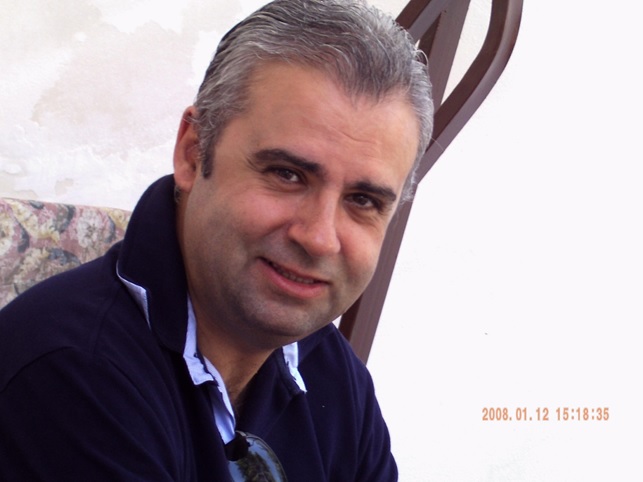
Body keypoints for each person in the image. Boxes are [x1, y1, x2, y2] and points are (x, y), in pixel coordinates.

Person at [0, 0, 433, 480]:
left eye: (363, 200)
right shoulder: (72, 374)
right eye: (287, 174)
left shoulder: (331, 371)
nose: (319, 238)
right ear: (193, 152)